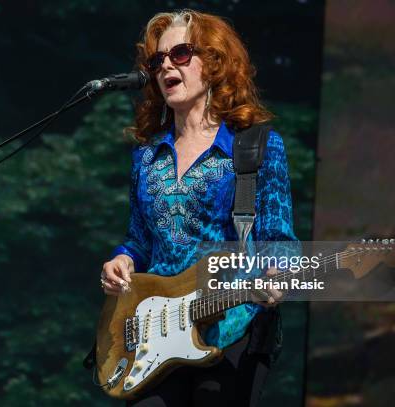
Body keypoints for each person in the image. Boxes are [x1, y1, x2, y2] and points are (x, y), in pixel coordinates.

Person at [100, 9, 297, 407]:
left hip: (230, 332)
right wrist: (120, 260)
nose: (166, 66)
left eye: (181, 54)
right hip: (154, 339)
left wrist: (277, 276)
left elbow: (280, 241)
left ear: (215, 62)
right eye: (157, 60)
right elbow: (138, 240)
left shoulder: (255, 147)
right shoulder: (147, 155)